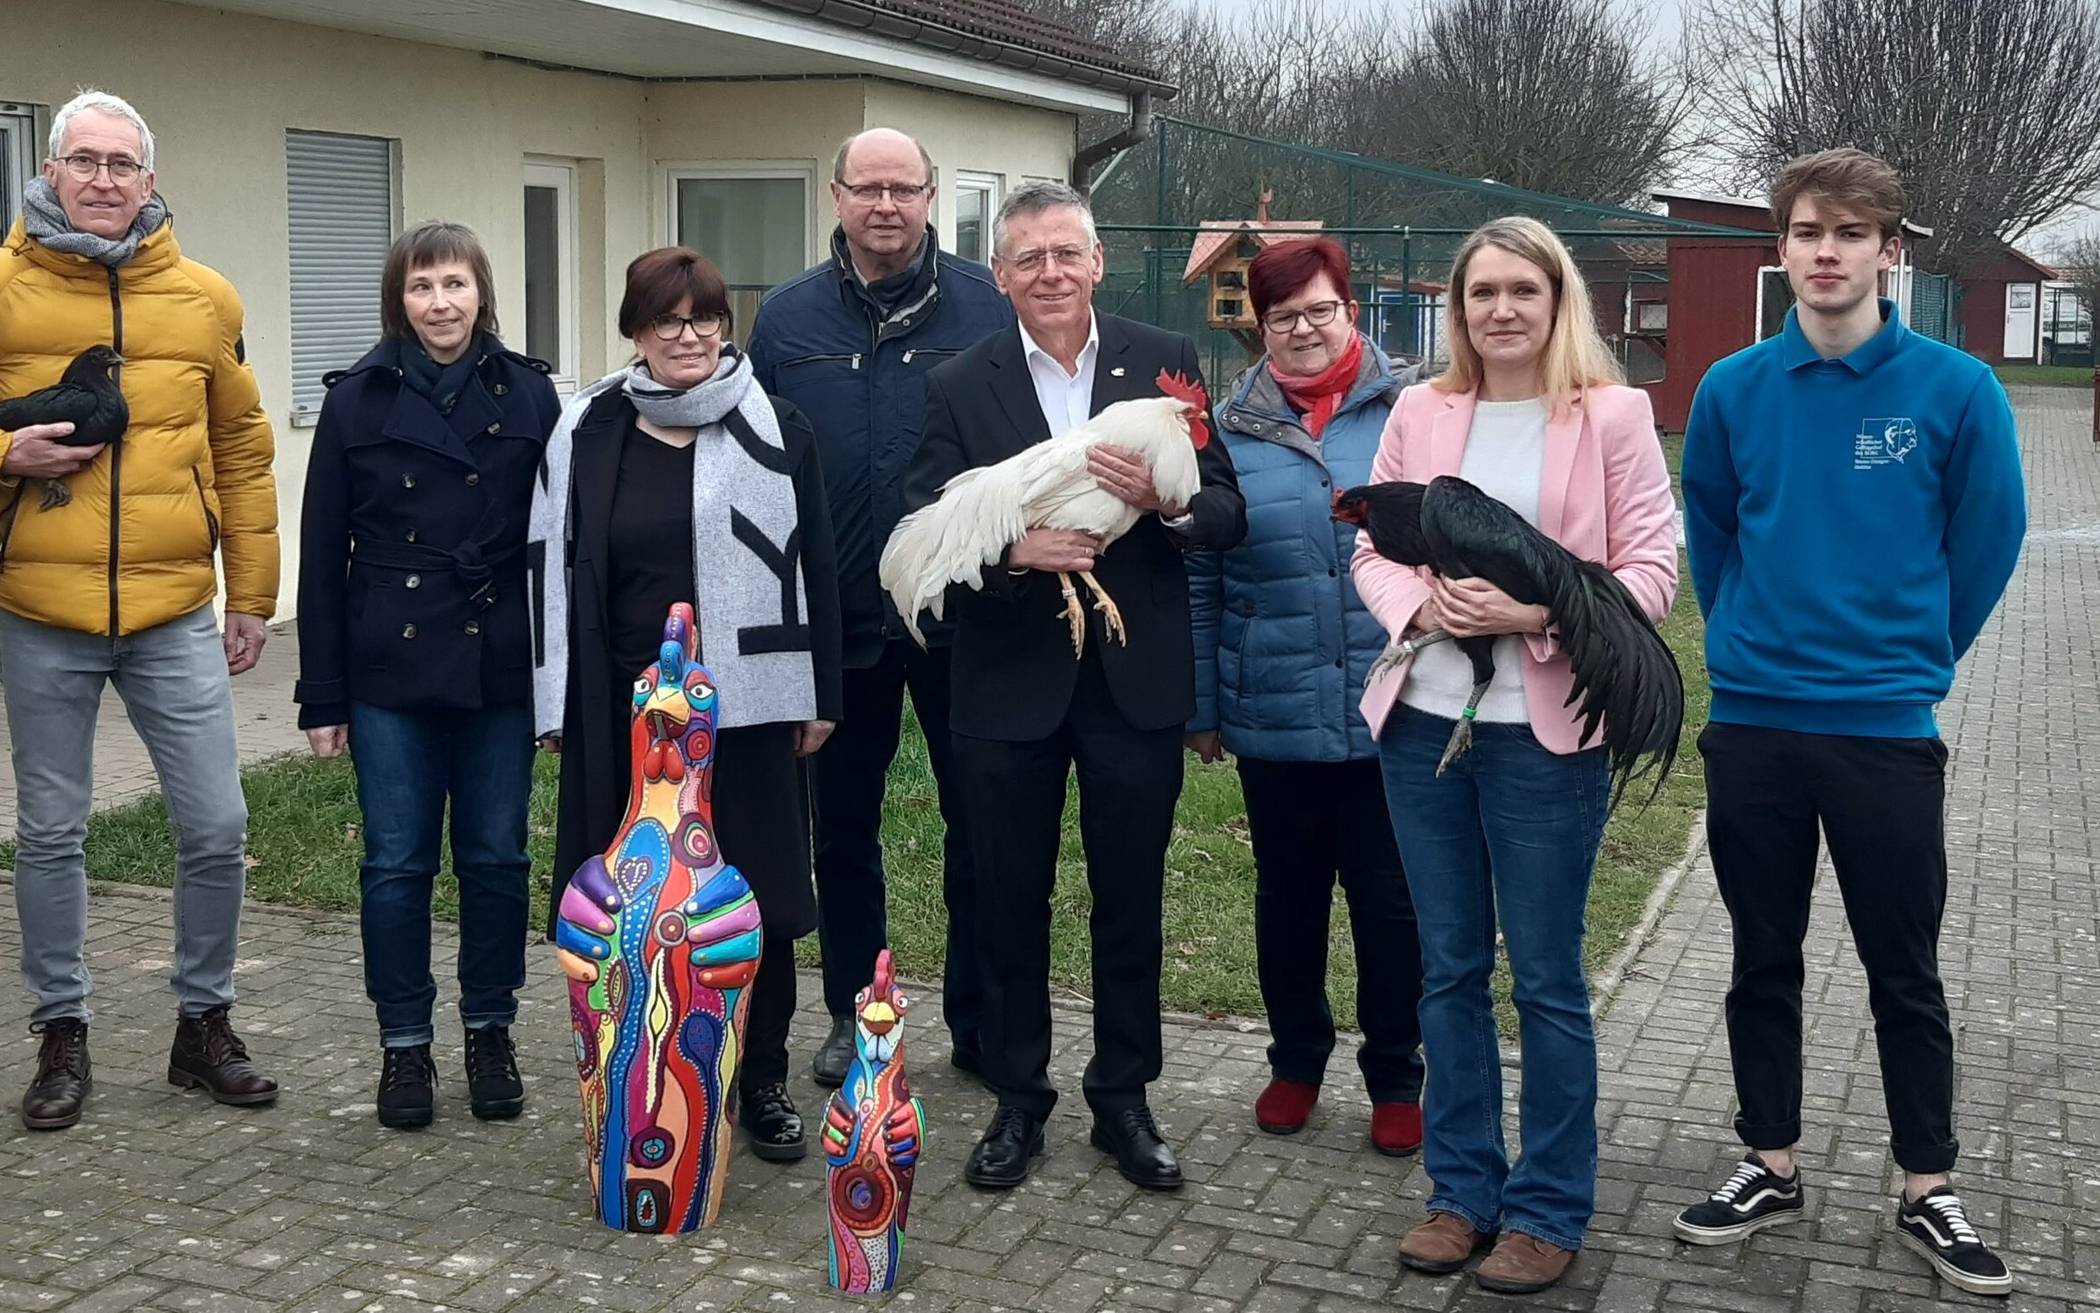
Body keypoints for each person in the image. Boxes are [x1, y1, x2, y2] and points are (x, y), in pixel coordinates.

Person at [1673, 149, 2024, 1299]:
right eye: (1807, 230)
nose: (1826, 251)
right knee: (1761, 957)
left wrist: (1916, 654)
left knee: (1902, 966)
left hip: (1883, 728)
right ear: (1780, 248)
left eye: (1850, 232)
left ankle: (1929, 1181)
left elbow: (1987, 542)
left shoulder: (1956, 390)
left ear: (1891, 252)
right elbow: (1714, 536)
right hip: (1758, 726)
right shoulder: (1732, 389)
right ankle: (1767, 1158)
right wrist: (1747, 644)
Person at [1351, 216, 1677, 1293]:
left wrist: (1541, 607)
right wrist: (1425, 611)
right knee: (1446, 969)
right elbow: (1371, 547)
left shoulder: (1615, 414)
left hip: (1546, 739)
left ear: (1557, 300)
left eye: (1522, 291)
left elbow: (1649, 570)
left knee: (1544, 978)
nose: (1501, 310)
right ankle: (1460, 1192)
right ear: (1459, 306)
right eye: (1481, 291)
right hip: (1422, 728)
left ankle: (1546, 1207)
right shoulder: (1421, 409)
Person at [900, 181, 1245, 1192]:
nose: (1049, 272)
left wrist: (1170, 506)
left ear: (1096, 262)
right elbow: (924, 513)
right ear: (1000, 275)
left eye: (1066, 253)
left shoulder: (1165, 356)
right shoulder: (960, 382)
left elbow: (1226, 508)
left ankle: (1124, 1097)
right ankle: (1017, 1097)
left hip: (1133, 682)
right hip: (1008, 681)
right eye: (1027, 258)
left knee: (1129, 896)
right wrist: (1013, 550)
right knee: (1009, 895)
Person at [0, 89, 280, 1130]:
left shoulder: (206, 297)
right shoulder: (2, 288)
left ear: (151, 181)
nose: (105, 179)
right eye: (87, 161)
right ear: (52, 171)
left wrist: (253, 592)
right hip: (38, 608)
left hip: (172, 610)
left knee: (216, 822)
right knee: (51, 831)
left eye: (124, 163)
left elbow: (245, 453)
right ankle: (61, 1030)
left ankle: (203, 1025)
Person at [528, 246, 843, 1162]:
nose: (688, 335)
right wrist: (556, 697)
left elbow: (816, 562)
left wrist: (815, 691)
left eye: (705, 317)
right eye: (666, 319)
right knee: (619, 903)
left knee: (752, 895)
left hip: (744, 708)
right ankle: (633, 1065)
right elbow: (550, 566)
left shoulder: (777, 426)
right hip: (623, 712)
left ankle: (764, 1077)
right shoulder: (589, 429)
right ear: (635, 329)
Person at [745, 129, 1012, 1089]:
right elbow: (759, 473)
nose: (887, 206)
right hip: (841, 624)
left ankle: (980, 1020)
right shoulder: (785, 321)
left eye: (905, 188)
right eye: (869, 188)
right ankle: (856, 1012)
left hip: (964, 617)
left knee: (977, 825)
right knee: (841, 833)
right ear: (837, 193)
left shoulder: (989, 306)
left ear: (933, 195)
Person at [293, 221, 560, 1129]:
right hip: (387, 670)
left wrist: (557, 682)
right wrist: (321, 696)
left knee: (496, 857)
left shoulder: (531, 396)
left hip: (496, 664)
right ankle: (403, 1043)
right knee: (395, 864)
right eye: (421, 287)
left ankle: (491, 1028)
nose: (439, 302)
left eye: (454, 283)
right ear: (397, 301)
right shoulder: (355, 402)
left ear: (482, 291)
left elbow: (557, 554)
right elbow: (322, 556)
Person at [1184, 236, 1427, 1156]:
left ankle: (1398, 1073)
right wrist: (1205, 704)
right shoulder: (1225, 427)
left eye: (1321, 310)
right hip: (1274, 705)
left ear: (1351, 311)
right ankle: (1295, 1062)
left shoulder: (1412, 409)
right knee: (1287, 898)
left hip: (1390, 703)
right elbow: (1204, 571)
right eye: (1282, 317)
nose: (1304, 330)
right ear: (1260, 329)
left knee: (1391, 902)